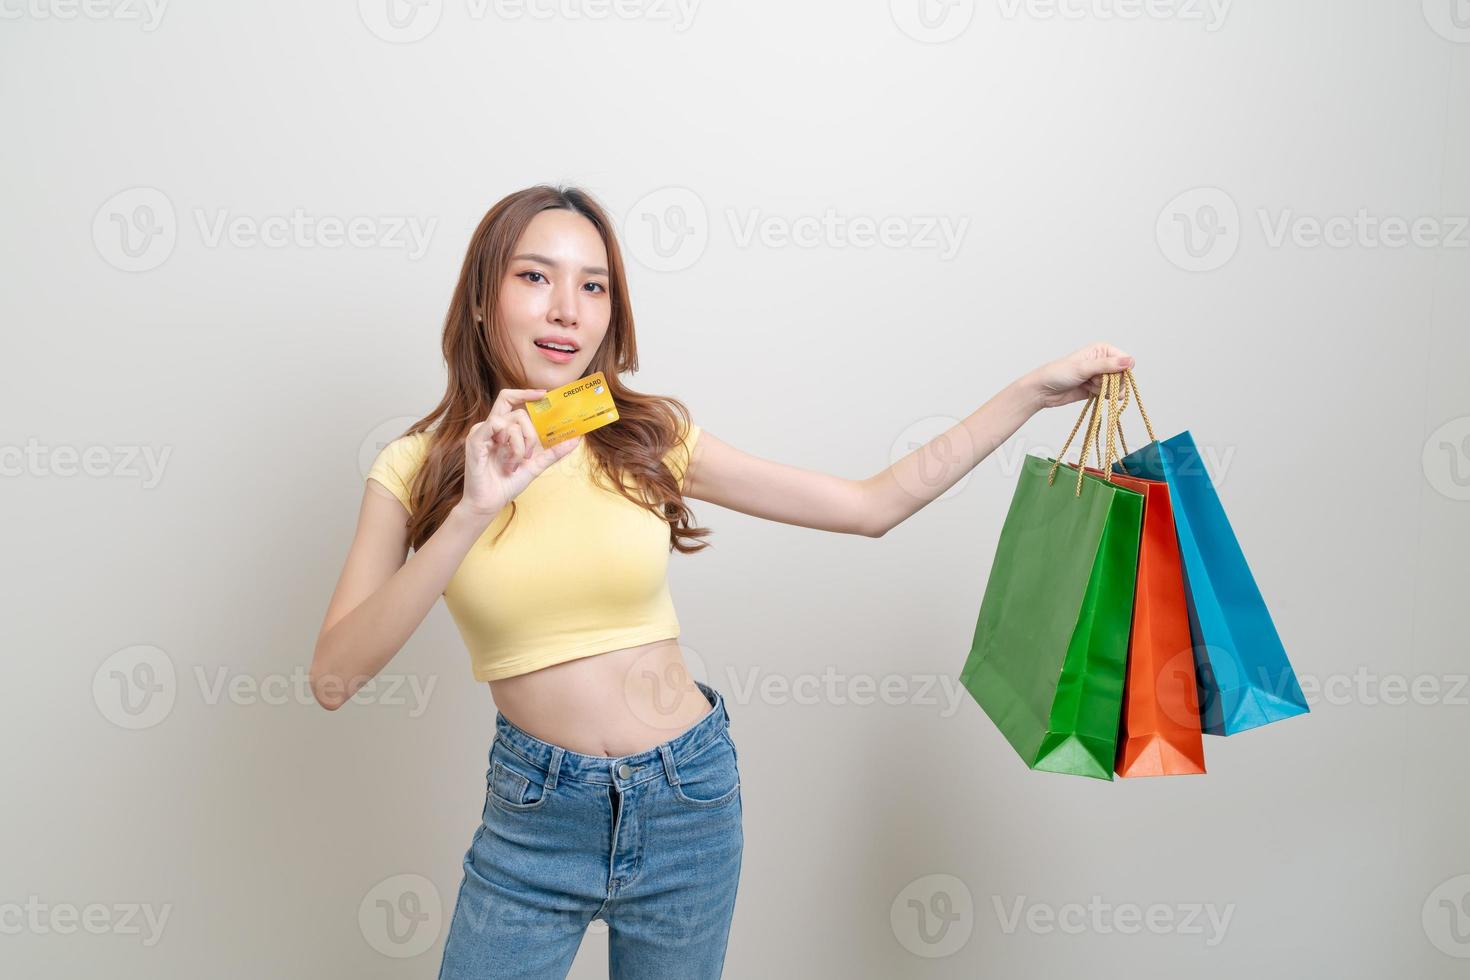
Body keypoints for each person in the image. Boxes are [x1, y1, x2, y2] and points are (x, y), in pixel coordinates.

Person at [310, 183, 1133, 979]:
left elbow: (869, 505)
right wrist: (470, 513)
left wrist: (1029, 394)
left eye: (593, 285)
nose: (568, 308)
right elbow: (335, 678)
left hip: (687, 803)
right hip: (535, 822)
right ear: (482, 301)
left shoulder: (644, 435)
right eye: (535, 276)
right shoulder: (416, 467)